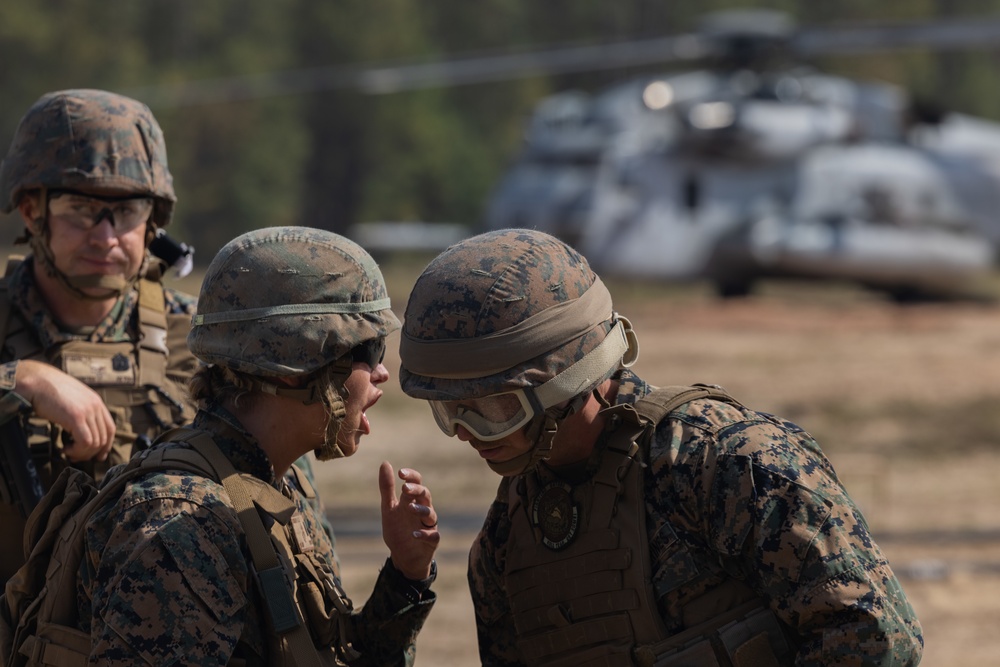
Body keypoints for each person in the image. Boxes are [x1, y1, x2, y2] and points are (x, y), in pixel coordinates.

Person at [398, 228, 923, 666]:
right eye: (448, 411)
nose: (464, 432)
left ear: (566, 379)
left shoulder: (728, 466)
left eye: (490, 408)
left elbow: (876, 639)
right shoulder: (508, 537)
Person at [79, 226, 439, 665]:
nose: (382, 373)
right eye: (369, 350)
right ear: (294, 366)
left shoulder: (273, 488)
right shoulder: (182, 525)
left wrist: (406, 576)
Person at [0, 89, 199, 581]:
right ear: (31, 211)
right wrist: (21, 380)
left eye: (128, 212)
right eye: (81, 209)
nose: (107, 236)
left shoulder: (201, 340)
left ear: (153, 221)